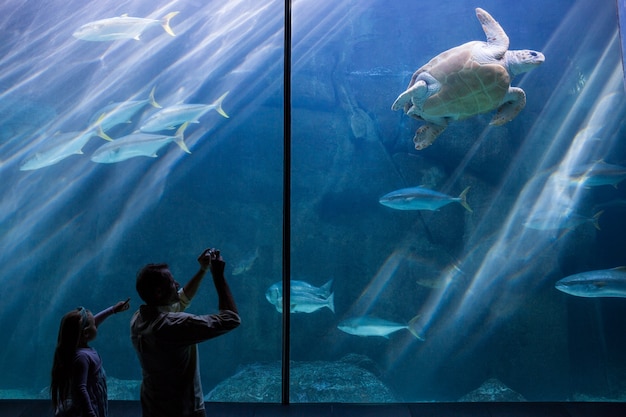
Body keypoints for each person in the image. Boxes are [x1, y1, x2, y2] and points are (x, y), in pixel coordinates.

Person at [131, 247, 241, 417]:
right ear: (159, 292)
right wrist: (217, 275)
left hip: (153, 405)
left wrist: (203, 270)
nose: (177, 285)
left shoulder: (138, 318)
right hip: (183, 408)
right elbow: (231, 319)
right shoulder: (173, 325)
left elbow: (180, 299)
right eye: (172, 282)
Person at [50, 298, 131, 417]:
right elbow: (81, 388)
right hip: (87, 409)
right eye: (94, 325)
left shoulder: (79, 348)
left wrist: (113, 310)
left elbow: (91, 323)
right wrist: (90, 413)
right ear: (86, 333)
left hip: (93, 403)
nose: (96, 325)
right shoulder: (82, 357)